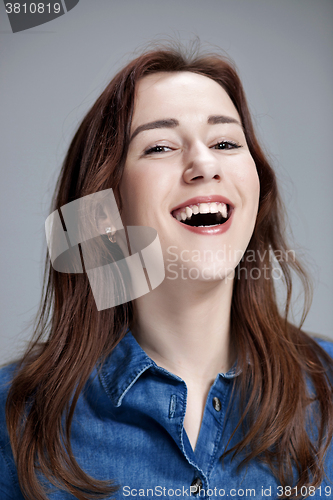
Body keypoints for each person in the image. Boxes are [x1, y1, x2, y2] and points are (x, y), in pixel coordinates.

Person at [0, 44, 333, 500]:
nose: (205, 164)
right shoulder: (12, 419)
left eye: (225, 143)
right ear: (105, 209)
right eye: (160, 146)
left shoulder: (328, 389)